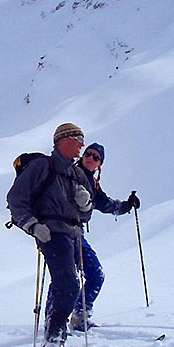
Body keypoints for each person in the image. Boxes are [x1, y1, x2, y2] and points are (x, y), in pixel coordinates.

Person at [6, 122, 93, 347]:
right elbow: (16, 199)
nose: (81, 145)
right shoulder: (42, 166)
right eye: (78, 139)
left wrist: (85, 206)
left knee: (68, 283)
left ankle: (54, 341)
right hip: (52, 234)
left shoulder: (75, 174)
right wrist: (33, 225)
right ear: (62, 139)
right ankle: (53, 346)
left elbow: (85, 215)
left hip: (72, 235)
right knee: (68, 284)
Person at [68, 142, 140, 332]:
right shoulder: (70, 175)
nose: (90, 158)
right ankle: (69, 319)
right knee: (77, 276)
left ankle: (72, 317)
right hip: (67, 231)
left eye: (95, 157)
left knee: (75, 276)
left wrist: (125, 206)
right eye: (88, 154)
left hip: (75, 232)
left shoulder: (91, 182)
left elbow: (103, 202)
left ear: (100, 164)